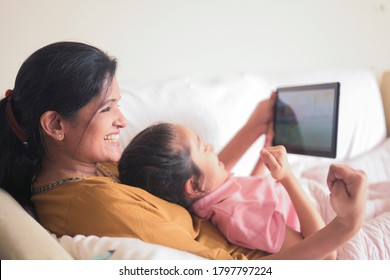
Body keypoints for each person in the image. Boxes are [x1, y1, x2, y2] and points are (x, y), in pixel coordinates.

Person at [0, 41, 366, 260]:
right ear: (55, 125)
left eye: (119, 104)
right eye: (107, 108)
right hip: (290, 253)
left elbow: (201, 183)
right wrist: (346, 225)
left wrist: (255, 127)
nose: (123, 121)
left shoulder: (90, 169)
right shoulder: (96, 205)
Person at [118, 122, 330, 256]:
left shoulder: (219, 198)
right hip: (324, 219)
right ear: (193, 184)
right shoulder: (237, 214)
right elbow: (322, 251)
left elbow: (252, 197)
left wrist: (265, 156)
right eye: (202, 147)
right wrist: (287, 177)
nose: (210, 146)